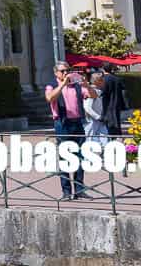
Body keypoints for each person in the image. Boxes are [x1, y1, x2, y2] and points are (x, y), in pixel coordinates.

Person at [45, 62, 87, 199]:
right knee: (65, 157)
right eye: (63, 71)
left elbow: (93, 95)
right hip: (62, 124)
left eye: (68, 70)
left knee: (80, 156)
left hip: (77, 123)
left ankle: (79, 189)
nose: (66, 73)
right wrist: (62, 84)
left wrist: (86, 85)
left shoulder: (76, 85)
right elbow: (49, 98)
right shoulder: (52, 85)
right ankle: (67, 191)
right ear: (56, 72)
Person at [99, 64, 127, 135]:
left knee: (109, 126)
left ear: (103, 69)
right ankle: (119, 139)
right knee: (117, 124)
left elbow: (103, 92)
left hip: (107, 105)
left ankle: (112, 141)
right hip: (117, 104)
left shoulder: (103, 79)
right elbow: (123, 91)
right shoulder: (117, 79)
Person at [83, 72, 109, 140]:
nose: (104, 82)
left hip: (100, 120)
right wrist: (98, 117)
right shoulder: (90, 91)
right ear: (97, 81)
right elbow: (87, 107)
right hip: (92, 122)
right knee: (90, 140)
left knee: (105, 139)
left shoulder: (98, 91)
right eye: (102, 80)